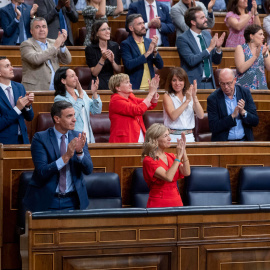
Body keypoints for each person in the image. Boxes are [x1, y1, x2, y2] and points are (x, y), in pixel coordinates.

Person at [23, 101, 93, 212]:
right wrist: (66, 157)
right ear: (57, 119)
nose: (74, 119)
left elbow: (88, 170)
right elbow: (42, 172)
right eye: (69, 116)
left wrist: (79, 153)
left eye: (74, 115)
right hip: (47, 200)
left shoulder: (78, 136)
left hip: (73, 201)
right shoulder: (40, 138)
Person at [142, 123, 190, 208]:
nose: (170, 138)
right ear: (155, 140)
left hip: (177, 201)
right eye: (165, 136)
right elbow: (168, 177)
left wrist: (184, 151)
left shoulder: (171, 156)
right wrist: (178, 157)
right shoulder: (148, 160)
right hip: (159, 204)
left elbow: (186, 172)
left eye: (169, 135)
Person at [176, 6, 225, 89]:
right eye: (202, 18)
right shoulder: (182, 39)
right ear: (193, 22)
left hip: (210, 83)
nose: (206, 19)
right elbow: (191, 61)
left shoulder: (207, 35)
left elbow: (216, 61)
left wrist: (218, 48)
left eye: (205, 17)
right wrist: (209, 49)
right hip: (193, 84)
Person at [207, 68, 259, 141]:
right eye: (222, 83)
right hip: (223, 144)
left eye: (228, 83)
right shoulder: (213, 98)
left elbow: (255, 121)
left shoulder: (245, 93)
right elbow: (213, 126)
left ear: (234, 80)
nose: (226, 87)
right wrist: (232, 116)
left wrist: (243, 112)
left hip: (244, 142)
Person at [20, 17, 72, 91]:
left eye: (44, 27)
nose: (41, 29)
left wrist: (62, 44)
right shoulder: (26, 44)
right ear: (31, 31)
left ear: (47, 30)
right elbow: (36, 59)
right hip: (35, 90)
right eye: (37, 27)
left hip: (56, 89)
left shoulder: (53, 42)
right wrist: (55, 47)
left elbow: (67, 60)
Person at [54, 67, 102, 143]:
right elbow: (71, 116)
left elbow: (96, 111)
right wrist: (80, 97)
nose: (76, 78)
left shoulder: (82, 92)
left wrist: (94, 93)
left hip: (89, 138)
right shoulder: (60, 98)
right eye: (72, 76)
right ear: (63, 80)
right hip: (73, 140)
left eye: (76, 75)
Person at [108, 73, 159, 143]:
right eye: (127, 82)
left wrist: (154, 90)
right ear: (118, 88)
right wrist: (150, 93)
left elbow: (149, 104)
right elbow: (138, 110)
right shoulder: (115, 101)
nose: (130, 84)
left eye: (129, 82)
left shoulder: (131, 97)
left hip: (138, 137)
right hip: (124, 141)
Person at [121, 14, 163, 90]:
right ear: (131, 28)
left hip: (151, 88)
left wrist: (154, 51)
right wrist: (148, 53)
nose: (143, 26)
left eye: (143, 23)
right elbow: (129, 65)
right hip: (135, 88)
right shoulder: (126, 44)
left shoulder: (149, 42)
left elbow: (160, 65)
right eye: (139, 24)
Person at [163, 67, 204, 142]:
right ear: (170, 82)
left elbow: (201, 115)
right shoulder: (167, 96)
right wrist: (187, 101)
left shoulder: (189, 94)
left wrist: (194, 97)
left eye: (180, 80)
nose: (177, 83)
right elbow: (173, 116)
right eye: (174, 80)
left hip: (189, 137)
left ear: (185, 82)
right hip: (173, 137)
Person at [0, 56, 34, 144]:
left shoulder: (19, 87)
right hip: (4, 143)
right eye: (7, 66)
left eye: (11, 65)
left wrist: (27, 106)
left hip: (23, 140)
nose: (12, 68)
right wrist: (17, 108)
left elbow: (29, 118)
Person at [85, 20, 121, 90]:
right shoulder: (90, 49)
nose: (108, 32)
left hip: (112, 82)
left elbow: (118, 70)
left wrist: (112, 61)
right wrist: (102, 59)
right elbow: (94, 73)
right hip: (97, 82)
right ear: (97, 33)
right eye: (104, 29)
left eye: (108, 29)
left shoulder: (115, 46)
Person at [235, 24, 270, 90]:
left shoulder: (264, 48)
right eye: (260, 34)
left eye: (263, 34)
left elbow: (269, 68)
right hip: (244, 88)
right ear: (251, 36)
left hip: (261, 87)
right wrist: (256, 56)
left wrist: (265, 54)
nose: (263, 37)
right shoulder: (241, 48)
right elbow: (241, 69)